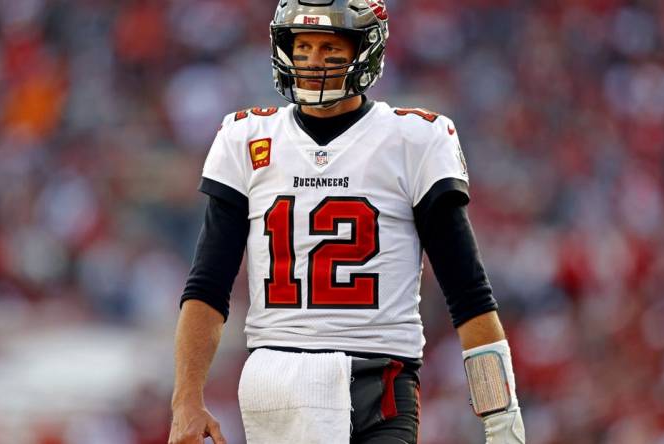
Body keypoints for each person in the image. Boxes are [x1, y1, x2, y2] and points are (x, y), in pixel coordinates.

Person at [169, 1, 525, 443]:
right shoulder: (247, 138)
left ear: (365, 51)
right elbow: (207, 286)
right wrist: (186, 399)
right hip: (280, 377)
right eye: (303, 46)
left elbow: (468, 293)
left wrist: (500, 416)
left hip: (381, 376)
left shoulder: (413, 139)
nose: (314, 61)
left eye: (330, 48)